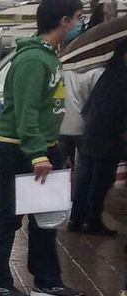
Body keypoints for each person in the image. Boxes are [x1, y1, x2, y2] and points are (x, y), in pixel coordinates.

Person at [0, 0, 86, 296]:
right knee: (9, 216)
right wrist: (37, 153)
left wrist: (47, 149)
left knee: (46, 218)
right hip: (18, 149)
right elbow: (26, 110)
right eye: (78, 18)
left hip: (44, 147)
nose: (80, 24)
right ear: (64, 20)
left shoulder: (50, 56)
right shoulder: (31, 60)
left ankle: (47, 280)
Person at [84, 40, 127, 250]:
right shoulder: (119, 79)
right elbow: (112, 110)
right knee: (101, 180)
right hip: (107, 139)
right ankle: (92, 219)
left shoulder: (108, 75)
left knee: (89, 178)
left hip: (93, 134)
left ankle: (82, 218)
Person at [62, 55, 106, 233]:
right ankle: (77, 212)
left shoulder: (65, 70)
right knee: (82, 171)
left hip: (62, 124)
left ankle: (41, 206)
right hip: (84, 127)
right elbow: (97, 103)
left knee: (55, 167)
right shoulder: (97, 73)